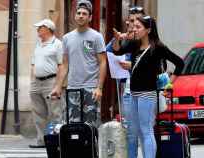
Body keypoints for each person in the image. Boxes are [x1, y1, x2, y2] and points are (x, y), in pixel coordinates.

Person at [112, 16, 184, 158]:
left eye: (138, 27)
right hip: (133, 93)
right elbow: (117, 51)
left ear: (148, 30)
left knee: (146, 130)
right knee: (134, 131)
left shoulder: (158, 47)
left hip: (147, 94)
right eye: (134, 26)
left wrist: (169, 84)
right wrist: (117, 39)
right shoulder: (134, 44)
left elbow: (179, 63)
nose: (134, 29)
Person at [51, 0, 107, 126]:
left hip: (91, 88)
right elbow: (64, 65)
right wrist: (58, 86)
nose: (81, 15)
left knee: (90, 126)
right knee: (72, 125)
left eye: (84, 13)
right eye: (79, 13)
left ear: (90, 17)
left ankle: (92, 146)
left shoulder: (96, 37)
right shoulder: (66, 38)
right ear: (75, 15)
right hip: (72, 88)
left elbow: (103, 62)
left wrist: (99, 88)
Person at [29, 19, 63, 148]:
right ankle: (41, 140)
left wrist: (58, 85)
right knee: (38, 113)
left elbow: (61, 65)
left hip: (51, 81)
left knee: (55, 112)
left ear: (48, 29)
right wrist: (32, 79)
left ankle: (56, 141)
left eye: (40, 27)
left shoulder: (58, 44)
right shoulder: (38, 43)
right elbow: (33, 63)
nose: (38, 30)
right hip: (36, 83)